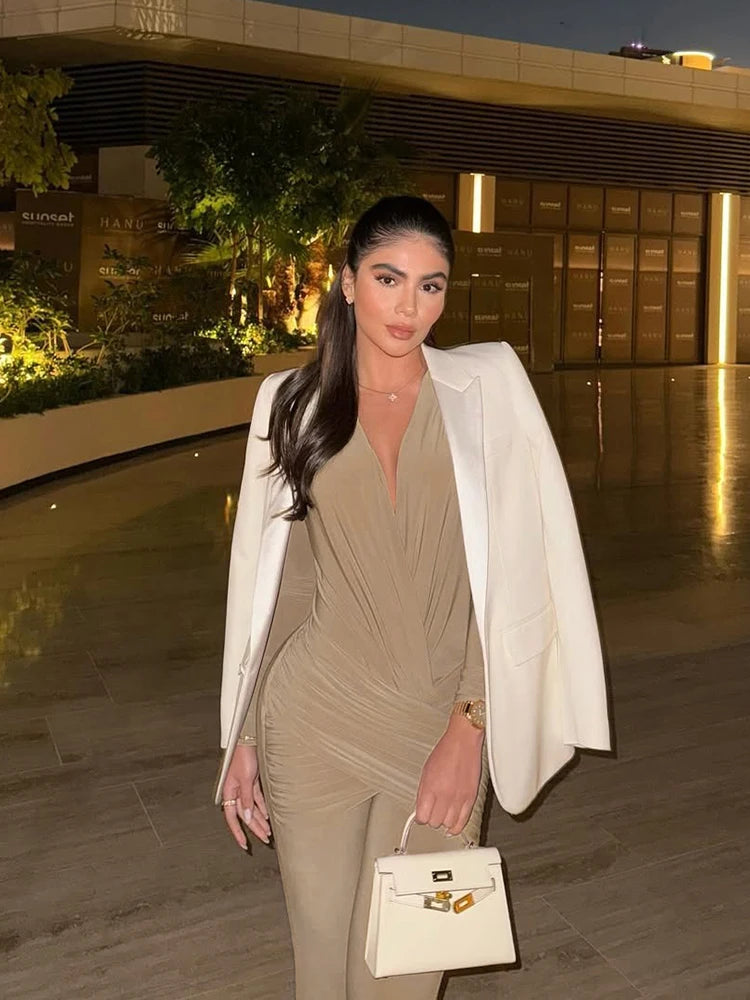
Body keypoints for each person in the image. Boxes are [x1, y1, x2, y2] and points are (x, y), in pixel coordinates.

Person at [216, 196, 610, 999]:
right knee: (321, 971)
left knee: (402, 975)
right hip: (312, 719)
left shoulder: (486, 390)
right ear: (348, 282)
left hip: (439, 723)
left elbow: (514, 573)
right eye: (388, 278)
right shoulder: (291, 403)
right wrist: (244, 736)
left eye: (430, 286)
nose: (409, 307)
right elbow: (286, 583)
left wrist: (471, 726)